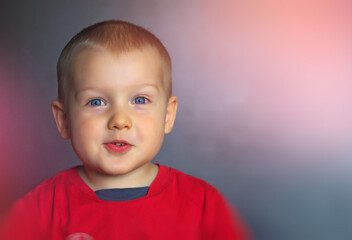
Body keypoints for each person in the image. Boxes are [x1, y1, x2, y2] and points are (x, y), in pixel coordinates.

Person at [0, 20, 251, 240]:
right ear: (64, 120)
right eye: (97, 102)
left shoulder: (204, 205)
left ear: (167, 115)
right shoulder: (40, 211)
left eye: (140, 100)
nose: (120, 120)